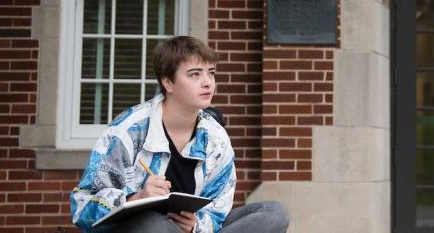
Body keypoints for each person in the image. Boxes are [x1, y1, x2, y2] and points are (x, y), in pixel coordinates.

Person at [70, 36, 289, 233]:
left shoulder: (215, 138)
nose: (207, 82)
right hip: (143, 229)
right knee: (151, 224)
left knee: (274, 213)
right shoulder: (129, 130)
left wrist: (196, 225)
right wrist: (136, 197)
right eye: (195, 74)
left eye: (211, 73)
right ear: (168, 83)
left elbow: (218, 209)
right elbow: (82, 205)